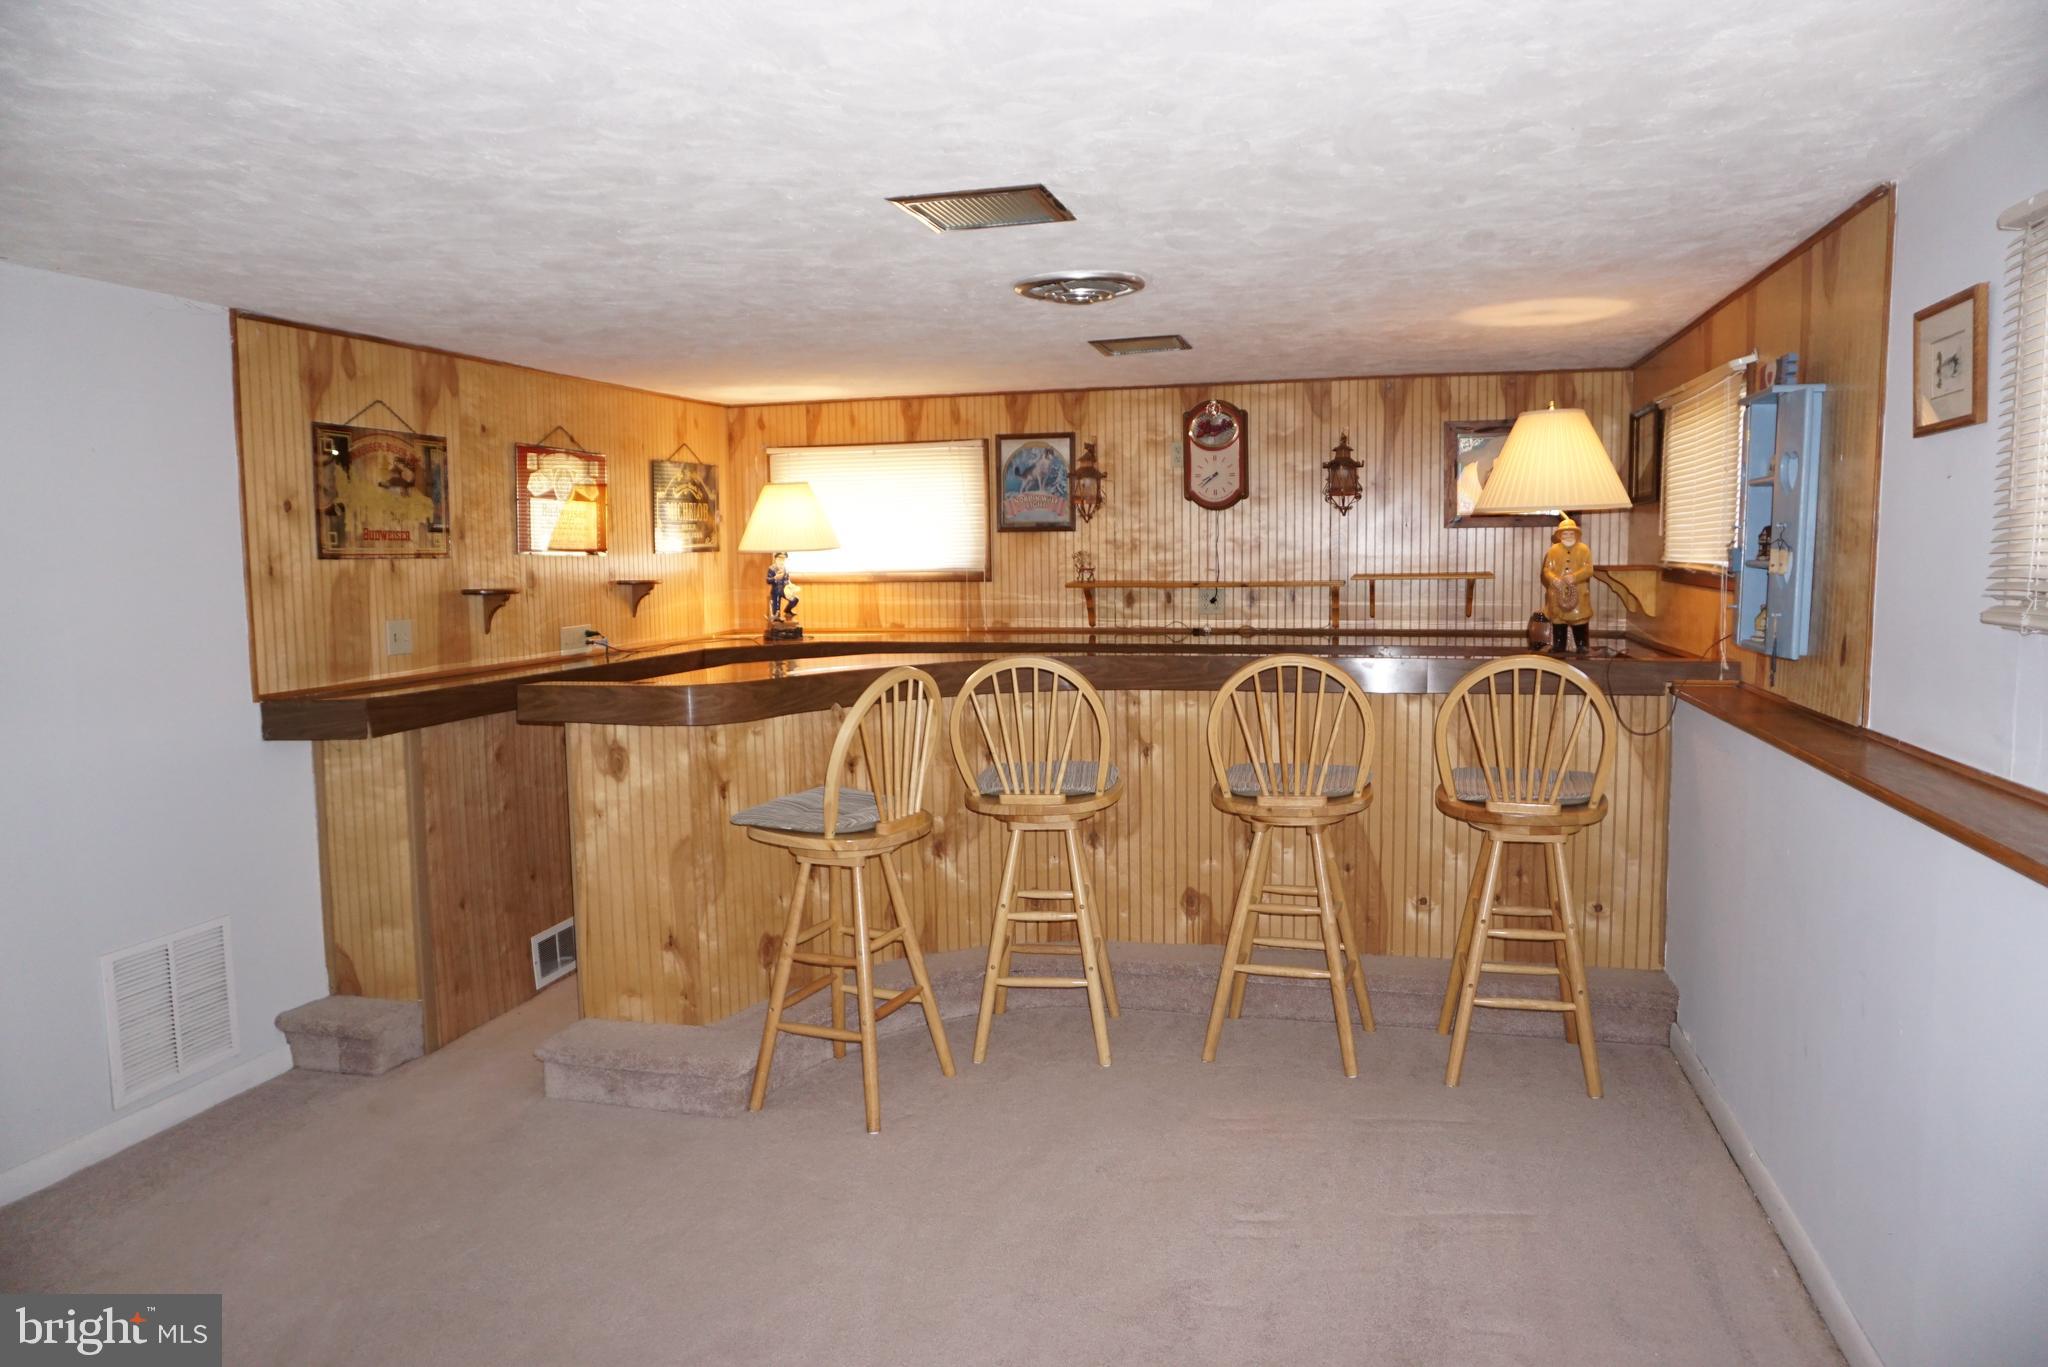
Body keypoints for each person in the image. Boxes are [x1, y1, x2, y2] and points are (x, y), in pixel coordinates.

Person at [1541, 516, 1594, 654]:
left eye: (1571, 533)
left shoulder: (1584, 549)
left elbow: (1589, 569)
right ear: (1560, 535)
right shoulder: (1553, 550)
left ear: (1576, 534)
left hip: (1578, 591)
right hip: (1557, 592)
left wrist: (1575, 577)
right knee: (1558, 619)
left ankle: (1582, 645)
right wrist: (1553, 580)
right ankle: (1559, 645)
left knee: (1579, 618)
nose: (1568, 536)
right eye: (1565, 533)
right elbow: (1547, 569)